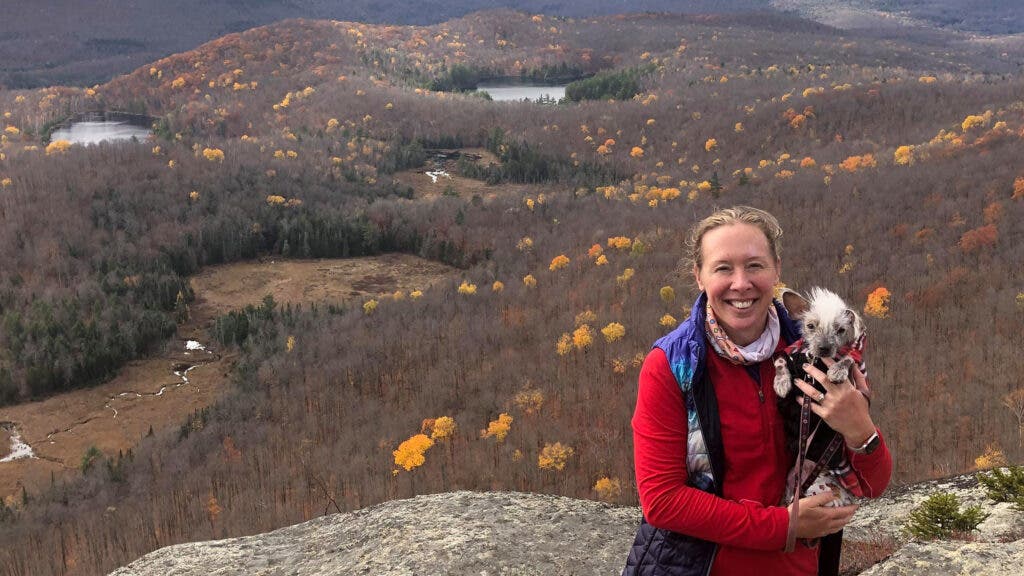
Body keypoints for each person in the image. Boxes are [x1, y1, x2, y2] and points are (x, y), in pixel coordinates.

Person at [622, 206, 892, 576]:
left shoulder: (816, 347)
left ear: (776, 269)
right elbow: (663, 502)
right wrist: (784, 526)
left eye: (754, 266)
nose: (740, 283)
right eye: (722, 268)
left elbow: (873, 483)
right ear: (698, 276)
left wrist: (861, 430)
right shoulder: (674, 364)